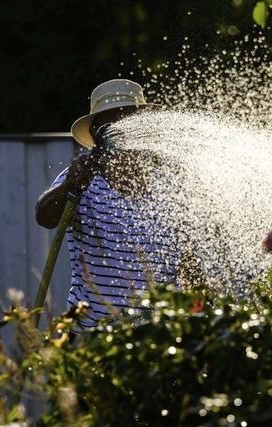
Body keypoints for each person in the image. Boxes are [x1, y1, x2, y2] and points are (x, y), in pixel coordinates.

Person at [36, 79, 199, 335]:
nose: (121, 130)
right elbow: (44, 217)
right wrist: (70, 186)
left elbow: (187, 259)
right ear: (95, 134)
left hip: (162, 331)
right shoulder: (81, 179)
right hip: (97, 332)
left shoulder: (169, 184)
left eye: (128, 119)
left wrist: (199, 312)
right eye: (110, 122)